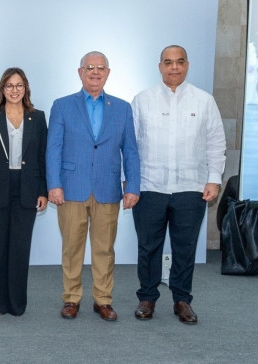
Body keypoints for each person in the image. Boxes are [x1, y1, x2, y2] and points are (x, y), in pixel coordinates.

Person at [131, 45, 226, 325]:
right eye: (168, 62)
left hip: (191, 187)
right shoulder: (142, 100)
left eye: (180, 62)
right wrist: (130, 182)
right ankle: (147, 297)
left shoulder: (204, 101)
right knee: (148, 246)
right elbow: (130, 146)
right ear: (160, 66)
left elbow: (216, 143)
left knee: (185, 247)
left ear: (187, 65)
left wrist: (213, 179)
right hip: (149, 186)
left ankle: (182, 299)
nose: (174, 67)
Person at [46, 51, 140, 321]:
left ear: (108, 73)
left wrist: (132, 186)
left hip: (108, 189)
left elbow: (130, 151)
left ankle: (103, 300)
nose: (95, 72)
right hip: (71, 188)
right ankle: (71, 298)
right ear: (80, 72)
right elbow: (53, 149)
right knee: (71, 248)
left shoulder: (122, 108)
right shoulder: (62, 106)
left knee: (104, 249)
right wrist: (54, 184)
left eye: (101, 68)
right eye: (90, 67)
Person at [0, 67, 47, 316]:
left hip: (28, 189)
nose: (14, 90)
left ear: (25, 88)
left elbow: (42, 157)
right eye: (9, 86)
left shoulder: (38, 117)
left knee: (20, 249)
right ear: (2, 89)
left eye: (19, 85)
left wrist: (43, 191)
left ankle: (17, 303)